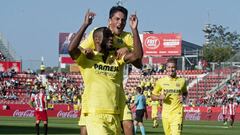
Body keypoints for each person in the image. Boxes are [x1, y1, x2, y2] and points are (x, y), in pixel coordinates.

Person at [70, 6, 143, 135]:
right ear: (110, 20)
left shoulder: (127, 40)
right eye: (117, 19)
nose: (120, 23)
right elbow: (75, 49)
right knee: (85, 130)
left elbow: (138, 61)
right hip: (94, 101)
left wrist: (129, 46)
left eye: (123, 20)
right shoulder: (97, 34)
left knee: (128, 126)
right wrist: (86, 50)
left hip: (116, 93)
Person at [151, 57, 188, 135]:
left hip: (177, 114)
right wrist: (159, 97)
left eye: (173, 67)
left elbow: (185, 93)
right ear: (166, 68)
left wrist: (183, 97)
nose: (171, 69)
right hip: (165, 114)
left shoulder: (182, 81)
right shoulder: (160, 82)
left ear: (176, 68)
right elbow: (152, 96)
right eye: (169, 67)